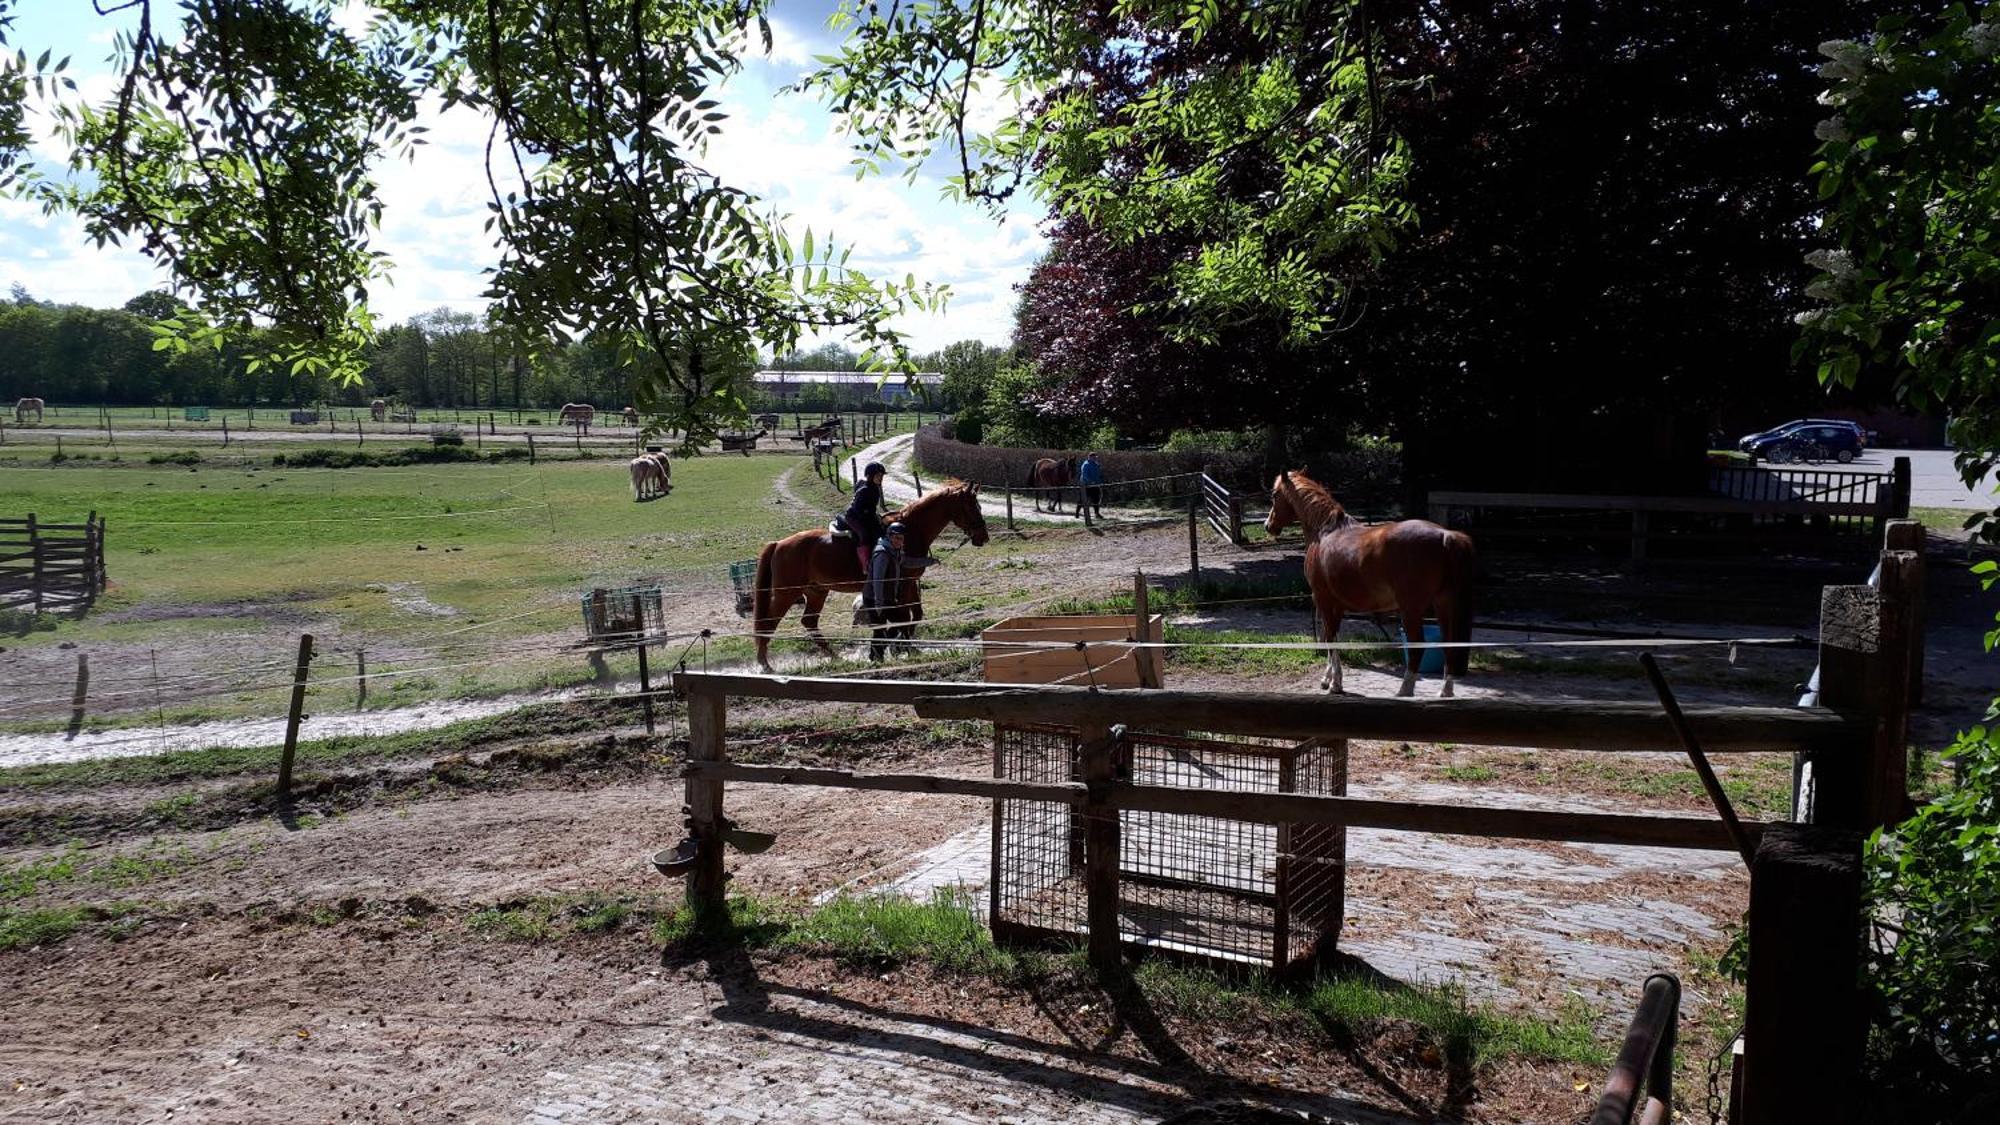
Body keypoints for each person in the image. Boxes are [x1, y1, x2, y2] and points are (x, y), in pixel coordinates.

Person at [868, 521, 937, 619]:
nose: (899, 541)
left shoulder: (894, 551)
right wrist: (878, 604)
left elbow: (908, 562)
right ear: (889, 537)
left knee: (896, 627)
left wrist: (929, 561)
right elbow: (877, 581)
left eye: (901, 539)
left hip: (886, 597)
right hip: (875, 599)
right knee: (888, 628)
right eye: (896, 538)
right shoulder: (882, 554)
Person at [841, 461, 888, 576]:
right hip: (854, 517)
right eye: (878, 476)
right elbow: (858, 510)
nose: (880, 478)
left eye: (881, 476)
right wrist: (870, 519)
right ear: (870, 476)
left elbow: (871, 508)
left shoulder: (875, 488)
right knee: (864, 534)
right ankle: (865, 565)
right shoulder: (865, 490)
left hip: (866, 516)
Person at [1077, 452, 1105, 519]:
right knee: (1082, 500)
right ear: (1090, 457)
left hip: (1095, 485)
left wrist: (1099, 482)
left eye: (1096, 457)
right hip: (1086, 485)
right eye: (1094, 457)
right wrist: (1091, 482)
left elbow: (1098, 475)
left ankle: (1097, 513)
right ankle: (1077, 513)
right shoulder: (1086, 465)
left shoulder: (1096, 464)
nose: (1095, 458)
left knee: (1096, 499)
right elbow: (1085, 475)